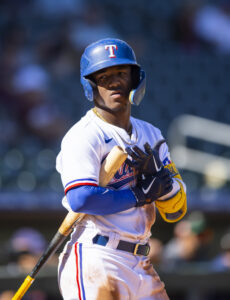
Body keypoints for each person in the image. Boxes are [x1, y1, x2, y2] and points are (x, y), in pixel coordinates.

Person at [56, 38, 187, 300]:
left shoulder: (151, 134)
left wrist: (162, 185)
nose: (114, 82)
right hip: (97, 255)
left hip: (141, 260)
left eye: (121, 73)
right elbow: (81, 198)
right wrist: (138, 196)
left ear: (135, 79)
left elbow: (176, 211)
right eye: (104, 76)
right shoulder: (83, 135)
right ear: (90, 85)